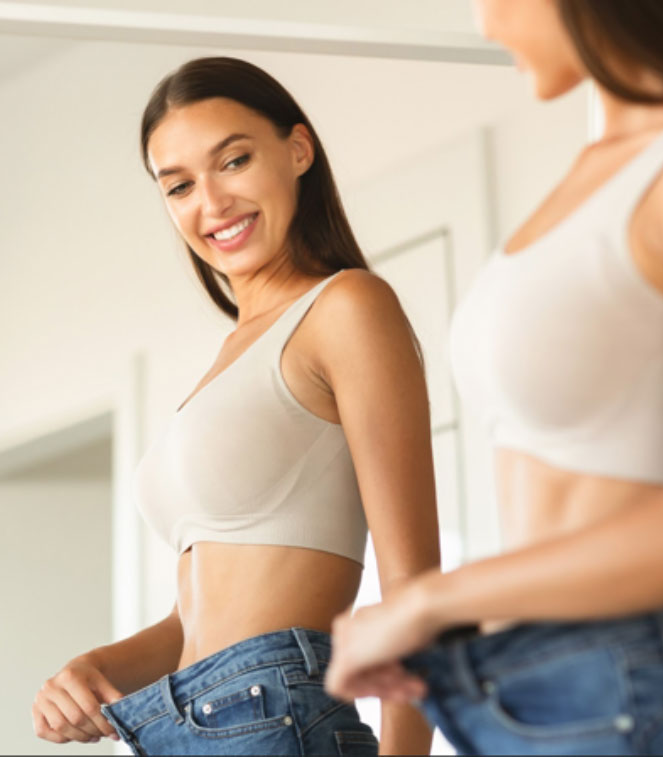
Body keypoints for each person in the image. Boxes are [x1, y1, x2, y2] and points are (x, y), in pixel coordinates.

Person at [325, 1, 663, 754]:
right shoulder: (593, 170)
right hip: (513, 696)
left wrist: (429, 599)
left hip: (631, 694)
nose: (485, 25)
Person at [31, 56, 439, 756]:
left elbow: (416, 589)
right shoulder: (229, 357)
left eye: (235, 160)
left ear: (298, 150)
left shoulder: (344, 307)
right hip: (178, 725)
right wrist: (96, 668)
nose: (211, 203)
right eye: (180, 185)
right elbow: (195, 620)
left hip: (276, 720)